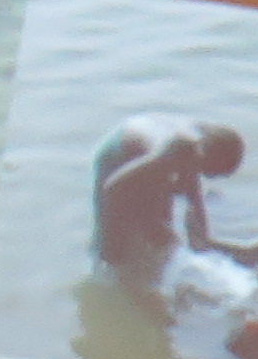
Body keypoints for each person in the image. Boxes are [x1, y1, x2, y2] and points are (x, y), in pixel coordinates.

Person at [92, 117, 246, 284]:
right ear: (207, 153)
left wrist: (239, 251)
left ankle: (151, 285)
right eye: (212, 170)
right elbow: (112, 189)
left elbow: (199, 240)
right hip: (119, 155)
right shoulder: (182, 149)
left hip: (154, 155)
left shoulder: (194, 155)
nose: (210, 176)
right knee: (115, 254)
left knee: (162, 243)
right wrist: (129, 225)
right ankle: (108, 285)